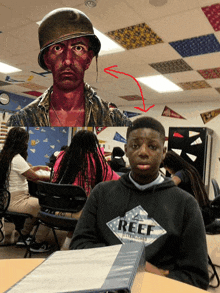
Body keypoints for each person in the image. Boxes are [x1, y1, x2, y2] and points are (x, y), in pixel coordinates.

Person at [70, 117, 209, 290]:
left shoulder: (186, 204)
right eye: (135, 146)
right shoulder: (101, 193)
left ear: (164, 152)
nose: (143, 152)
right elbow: (78, 247)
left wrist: (153, 280)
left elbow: (196, 277)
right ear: (126, 150)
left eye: (152, 146)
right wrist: (134, 265)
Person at [7, 7, 131, 127]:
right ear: (47, 59)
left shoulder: (114, 119)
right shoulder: (22, 120)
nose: (67, 61)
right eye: (57, 48)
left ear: (88, 59)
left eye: (78, 48)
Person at [52, 130, 120, 249]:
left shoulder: (63, 156)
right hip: (79, 212)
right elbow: (115, 179)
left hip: (56, 208)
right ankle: (69, 244)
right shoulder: (96, 160)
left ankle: (46, 241)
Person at [0, 127, 52, 252]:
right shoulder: (17, 158)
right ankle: (36, 243)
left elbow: (23, 171)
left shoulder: (5, 155)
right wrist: (51, 176)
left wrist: (37, 167)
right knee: (48, 208)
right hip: (16, 201)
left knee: (36, 204)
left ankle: (23, 236)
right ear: (21, 142)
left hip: (6, 199)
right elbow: (34, 178)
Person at [52, 130, 120, 196]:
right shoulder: (96, 161)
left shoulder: (62, 157)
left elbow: (55, 175)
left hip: (60, 201)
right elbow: (115, 179)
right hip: (83, 204)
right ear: (93, 144)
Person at [162, 151, 213, 225]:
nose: (168, 171)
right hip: (203, 211)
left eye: (167, 169)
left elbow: (169, 185)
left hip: (195, 215)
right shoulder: (190, 169)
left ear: (171, 165)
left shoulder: (181, 173)